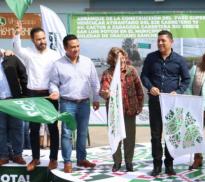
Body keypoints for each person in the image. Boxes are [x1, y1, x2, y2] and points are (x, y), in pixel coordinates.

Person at [141, 30, 190, 176]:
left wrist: (179, 91)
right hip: (155, 103)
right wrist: (150, 87)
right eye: (158, 40)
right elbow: (144, 76)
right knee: (155, 135)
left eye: (163, 40)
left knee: (171, 134)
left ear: (171, 42)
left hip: (172, 104)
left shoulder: (179, 60)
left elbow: (186, 79)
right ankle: (157, 165)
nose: (160, 43)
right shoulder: (151, 58)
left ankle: (169, 165)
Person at [13, 21, 60, 171]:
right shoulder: (28, 53)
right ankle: (35, 158)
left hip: (50, 95)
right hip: (33, 95)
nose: (42, 41)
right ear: (33, 40)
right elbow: (17, 48)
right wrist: (17, 32)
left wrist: (57, 91)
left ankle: (53, 159)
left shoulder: (55, 55)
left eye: (44, 38)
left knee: (53, 128)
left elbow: (58, 76)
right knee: (34, 129)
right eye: (39, 39)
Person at [49, 34, 100, 173]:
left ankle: (81, 159)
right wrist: (55, 91)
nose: (76, 49)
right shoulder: (58, 64)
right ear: (65, 48)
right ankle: (67, 161)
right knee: (66, 133)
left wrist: (96, 98)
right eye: (72, 47)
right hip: (67, 103)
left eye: (77, 46)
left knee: (82, 132)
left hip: (84, 103)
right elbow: (53, 83)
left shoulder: (87, 62)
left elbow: (95, 82)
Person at [100, 47, 144, 172]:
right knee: (115, 136)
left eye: (123, 56)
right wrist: (106, 93)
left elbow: (139, 90)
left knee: (130, 137)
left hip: (130, 109)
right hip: (115, 113)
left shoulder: (132, 71)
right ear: (112, 59)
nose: (122, 59)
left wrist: (140, 105)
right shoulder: (107, 73)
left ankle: (129, 162)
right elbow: (104, 90)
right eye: (118, 57)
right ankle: (117, 162)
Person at [0, 49, 28, 166]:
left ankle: (17, 155)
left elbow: (23, 74)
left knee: (17, 128)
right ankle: (3, 155)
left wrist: (24, 95)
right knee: (0, 130)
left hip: (14, 100)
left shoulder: (11, 58)